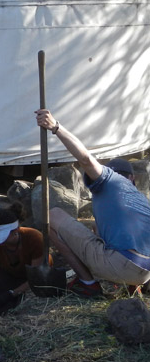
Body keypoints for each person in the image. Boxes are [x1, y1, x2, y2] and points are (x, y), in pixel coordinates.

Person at [36, 108, 150, 297]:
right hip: (146, 272)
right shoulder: (141, 199)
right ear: (133, 178)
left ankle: (88, 283)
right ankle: (132, 286)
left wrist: (55, 127)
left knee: (52, 216)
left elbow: (86, 159)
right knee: (101, 233)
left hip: (122, 265)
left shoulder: (111, 181)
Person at [0, 204, 50, 315]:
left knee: (28, 299)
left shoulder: (35, 239)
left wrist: (11, 294)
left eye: (1, 236)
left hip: (38, 279)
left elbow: (36, 277)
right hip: (13, 276)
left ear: (15, 230)